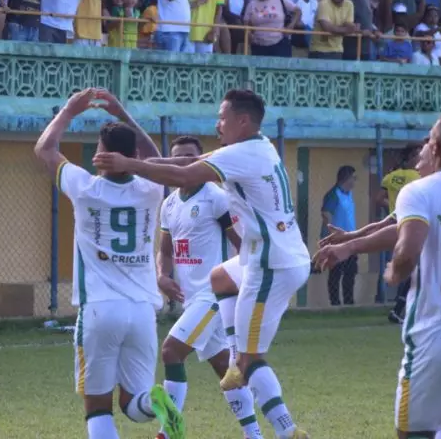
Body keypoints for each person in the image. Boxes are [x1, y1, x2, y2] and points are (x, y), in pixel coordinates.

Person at [93, 89, 311, 439]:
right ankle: (248, 415)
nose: (217, 124)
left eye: (222, 117)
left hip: (272, 262)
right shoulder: (255, 148)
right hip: (261, 259)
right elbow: (179, 167)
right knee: (220, 277)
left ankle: (287, 431)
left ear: (242, 121)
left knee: (243, 359)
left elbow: (183, 175)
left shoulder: (236, 164)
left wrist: (129, 164)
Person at [34, 88, 185, 439]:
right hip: (143, 311)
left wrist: (69, 111)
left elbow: (44, 149)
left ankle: (153, 405)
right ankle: (157, 403)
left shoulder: (85, 188)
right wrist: (122, 114)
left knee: (97, 407)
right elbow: (154, 157)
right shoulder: (151, 188)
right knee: (134, 404)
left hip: (100, 309)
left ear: (99, 157)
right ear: (131, 156)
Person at [314, 113, 441, 439]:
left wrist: (393, 271)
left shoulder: (418, 190)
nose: (422, 151)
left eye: (428, 141)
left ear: (437, 147)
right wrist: (351, 242)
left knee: (413, 432)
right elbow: (395, 226)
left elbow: (407, 243)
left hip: (437, 329)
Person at [155, 136, 263, 439]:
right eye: (178, 157)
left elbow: (242, 246)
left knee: (171, 351)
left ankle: (168, 431)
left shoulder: (216, 198)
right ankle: (255, 435)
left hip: (213, 295)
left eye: (191, 156)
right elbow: (165, 250)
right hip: (192, 299)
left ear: (203, 160)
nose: (185, 162)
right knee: (223, 370)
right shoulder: (170, 203)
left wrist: (245, 288)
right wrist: (162, 275)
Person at [377, 143, 421, 323]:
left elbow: (378, 199)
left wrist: (395, 208)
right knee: (414, 268)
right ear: (411, 158)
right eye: (418, 155)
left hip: (394, 222)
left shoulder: (390, 177)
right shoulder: (417, 176)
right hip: (412, 223)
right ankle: (399, 309)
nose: (420, 159)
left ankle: (398, 307)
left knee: (402, 266)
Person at [321, 165, 358, 306]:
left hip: (350, 238)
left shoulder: (348, 195)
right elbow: (326, 213)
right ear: (346, 178)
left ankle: (349, 302)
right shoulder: (334, 194)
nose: (355, 181)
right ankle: (335, 303)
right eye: (353, 178)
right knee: (336, 272)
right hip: (337, 239)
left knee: (351, 272)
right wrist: (333, 233)